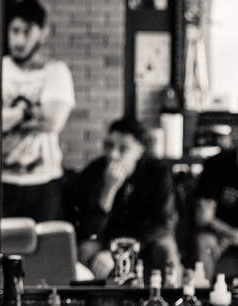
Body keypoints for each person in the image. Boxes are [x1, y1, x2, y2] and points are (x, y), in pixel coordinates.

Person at [69, 117, 182, 279]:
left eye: (123, 148)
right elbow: (90, 230)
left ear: (140, 150)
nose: (113, 154)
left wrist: (123, 251)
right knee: (85, 249)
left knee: (166, 248)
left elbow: (165, 223)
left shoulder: (157, 171)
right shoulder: (93, 172)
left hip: (145, 238)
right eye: (109, 146)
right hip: (109, 238)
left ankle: (172, 292)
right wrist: (109, 189)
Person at [1, 0, 75, 222]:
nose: (19, 40)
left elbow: (52, 122)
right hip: (1, 180)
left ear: (43, 33)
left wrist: (6, 119)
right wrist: (28, 113)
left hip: (44, 183)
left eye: (27, 32)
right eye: (14, 30)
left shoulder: (55, 71)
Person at [193, 125, 238, 280]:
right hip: (219, 231)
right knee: (204, 242)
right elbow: (203, 217)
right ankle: (202, 291)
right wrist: (234, 235)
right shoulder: (217, 163)